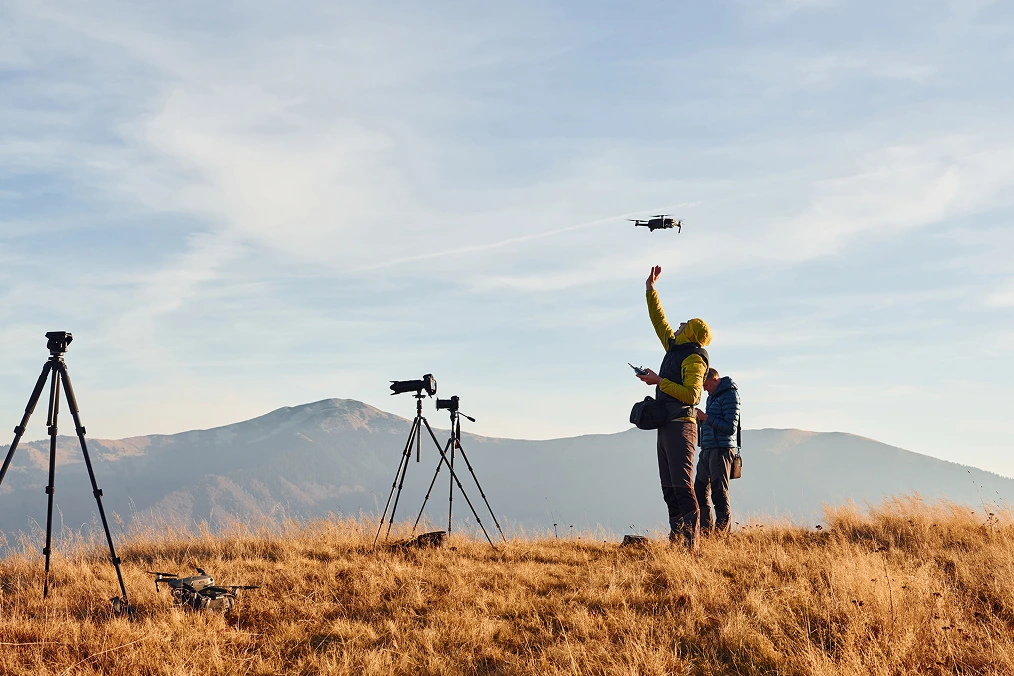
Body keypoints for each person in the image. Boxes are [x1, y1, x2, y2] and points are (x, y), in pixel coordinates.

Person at [637, 265, 711, 550]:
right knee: (669, 486)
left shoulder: (694, 359)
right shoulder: (676, 349)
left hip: (681, 426)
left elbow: (692, 394)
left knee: (681, 485)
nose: (677, 326)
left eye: (684, 325)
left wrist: (659, 381)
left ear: (691, 332)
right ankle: (676, 539)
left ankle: (691, 545)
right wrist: (650, 290)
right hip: (667, 424)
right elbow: (659, 321)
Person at [695, 368, 740, 534]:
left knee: (719, 493)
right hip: (707, 448)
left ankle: (721, 535)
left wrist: (706, 418)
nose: (704, 389)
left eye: (705, 385)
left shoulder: (730, 395)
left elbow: (730, 427)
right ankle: (706, 532)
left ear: (714, 379)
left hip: (722, 449)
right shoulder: (712, 397)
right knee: (700, 490)